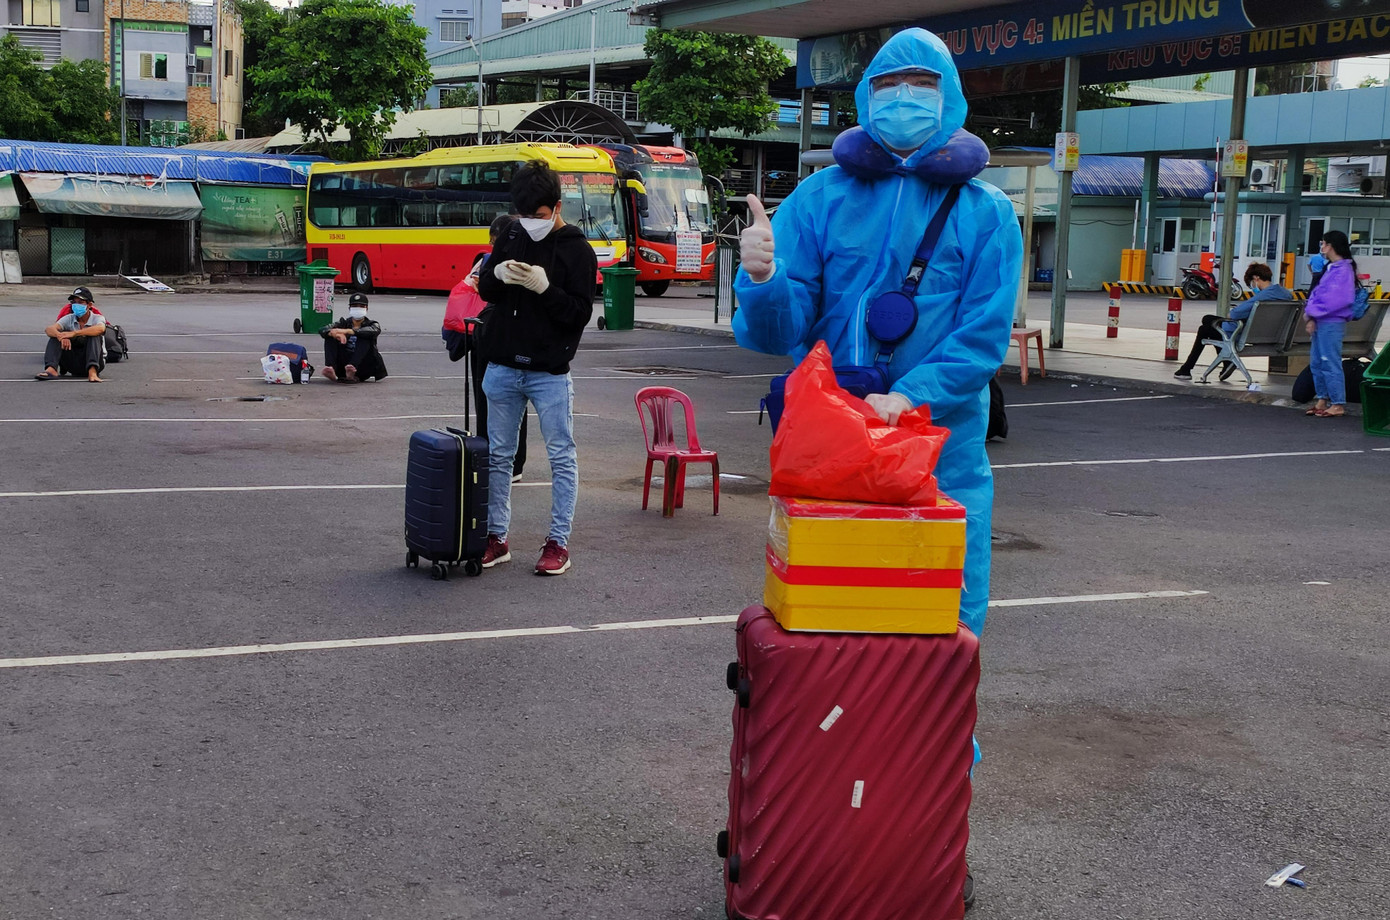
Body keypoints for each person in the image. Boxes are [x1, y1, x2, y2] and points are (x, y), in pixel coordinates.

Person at [475, 161, 597, 575]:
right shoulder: (512, 232)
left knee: (561, 456)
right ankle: (496, 537)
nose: (531, 224)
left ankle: (557, 543)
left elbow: (578, 313)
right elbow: (485, 288)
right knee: (498, 456)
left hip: (549, 371)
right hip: (503, 364)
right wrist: (499, 273)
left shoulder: (577, 249)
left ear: (557, 207)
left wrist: (545, 288)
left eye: (540, 217)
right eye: (524, 216)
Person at [450, 213, 527, 482]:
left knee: (488, 399)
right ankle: (515, 463)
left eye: (494, 239)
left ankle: (491, 456)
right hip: (517, 341)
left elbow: (470, 292)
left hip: (487, 337)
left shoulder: (487, 262)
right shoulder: (525, 261)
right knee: (517, 404)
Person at [1173, 261, 1292, 380]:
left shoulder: (1262, 296)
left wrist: (1235, 312)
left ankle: (1188, 368)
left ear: (1256, 278)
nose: (1252, 287)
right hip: (1272, 335)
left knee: (1205, 326)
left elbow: (1233, 315)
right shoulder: (1285, 294)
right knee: (1208, 323)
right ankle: (1208, 366)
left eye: (1251, 283)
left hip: (1247, 334)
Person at [1303, 230, 1357, 417]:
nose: (1322, 247)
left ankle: (1338, 403)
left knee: (1329, 361)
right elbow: (1321, 295)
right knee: (1317, 361)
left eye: (1323, 243)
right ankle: (1322, 398)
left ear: (1331, 245)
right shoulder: (1332, 268)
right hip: (1322, 320)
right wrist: (1312, 316)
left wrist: (1311, 313)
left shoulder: (1342, 270)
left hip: (1331, 322)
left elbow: (1336, 300)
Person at [36, 286, 106, 382]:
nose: (76, 305)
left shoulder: (97, 318)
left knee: (93, 334)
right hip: (72, 361)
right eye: (74, 303)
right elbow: (49, 329)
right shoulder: (69, 318)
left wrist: (73, 334)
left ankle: (92, 372)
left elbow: (101, 329)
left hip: (94, 361)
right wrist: (60, 336)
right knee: (55, 335)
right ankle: (51, 369)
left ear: (89, 305)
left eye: (80, 302)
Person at [319, 292, 387, 382]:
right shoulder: (343, 323)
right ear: (349, 308)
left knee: (364, 337)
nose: (358, 308)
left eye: (361, 306)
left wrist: (348, 331)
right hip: (343, 364)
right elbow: (323, 329)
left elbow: (374, 330)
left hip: (363, 365)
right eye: (354, 306)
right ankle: (330, 368)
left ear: (366, 309)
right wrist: (334, 334)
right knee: (330, 336)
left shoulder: (372, 324)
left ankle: (352, 369)